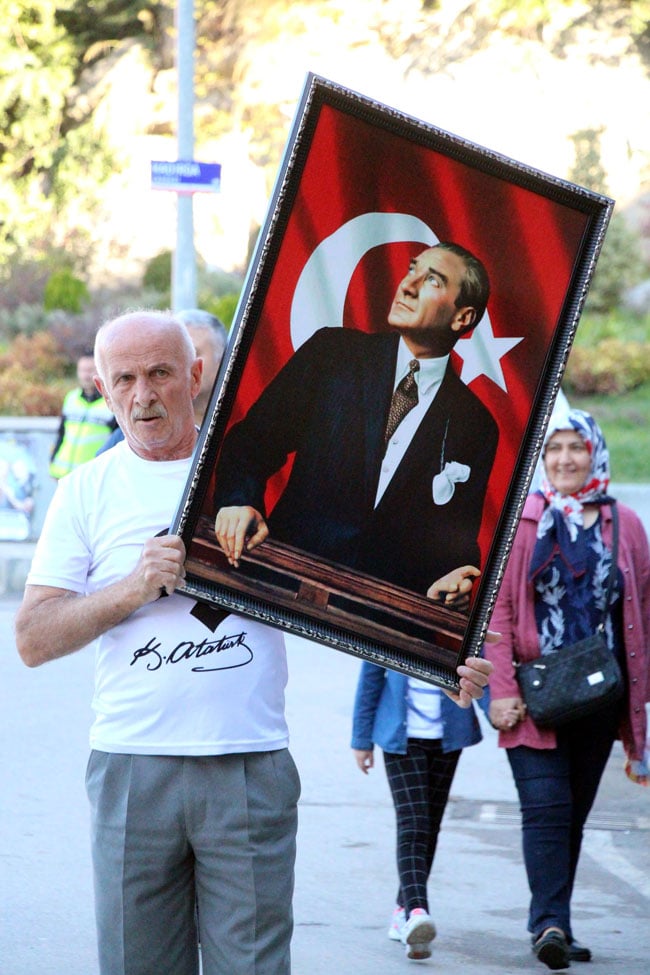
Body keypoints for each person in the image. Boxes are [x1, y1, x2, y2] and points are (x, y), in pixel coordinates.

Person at [14, 309, 492, 975]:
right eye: (123, 379)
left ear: (197, 374)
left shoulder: (255, 479)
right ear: (100, 385)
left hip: (248, 764)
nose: (143, 395)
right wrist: (131, 588)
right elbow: (33, 639)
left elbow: (354, 591)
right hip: (131, 764)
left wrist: (440, 653)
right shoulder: (85, 491)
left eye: (159, 373)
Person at [215, 242, 499, 604]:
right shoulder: (332, 354)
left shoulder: (476, 424)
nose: (407, 285)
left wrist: (456, 580)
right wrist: (239, 503)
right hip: (278, 590)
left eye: (433, 281)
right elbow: (249, 447)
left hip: (381, 623)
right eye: (412, 270)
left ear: (462, 318)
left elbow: (456, 544)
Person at [484, 408, 650, 971]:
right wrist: (500, 688)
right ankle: (548, 923)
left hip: (598, 695)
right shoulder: (523, 520)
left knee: (573, 811)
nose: (563, 459)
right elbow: (499, 612)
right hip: (533, 694)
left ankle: (558, 920)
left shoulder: (622, 523)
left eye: (575, 447)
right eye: (553, 448)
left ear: (594, 453)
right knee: (547, 807)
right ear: (541, 457)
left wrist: (639, 694)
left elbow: (641, 609)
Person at [351, 660, 487, 961]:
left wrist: (500, 714)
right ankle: (417, 910)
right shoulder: (391, 620)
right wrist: (361, 740)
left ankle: (403, 908)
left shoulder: (459, 621)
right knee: (413, 825)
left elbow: (484, 676)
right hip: (401, 740)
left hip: (448, 738)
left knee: (430, 827)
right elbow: (370, 678)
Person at [97, 308, 228, 454]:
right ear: (105, 392)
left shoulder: (243, 432)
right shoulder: (119, 446)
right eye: (126, 378)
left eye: (160, 373)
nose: (143, 397)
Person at [49, 350, 117, 477]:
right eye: (82, 370)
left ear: (100, 371)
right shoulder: (71, 398)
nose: (85, 375)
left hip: (92, 476)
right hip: (62, 474)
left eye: (90, 370)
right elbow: (61, 434)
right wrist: (53, 462)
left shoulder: (111, 402)